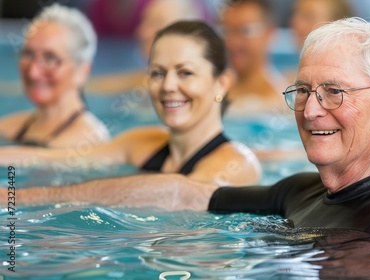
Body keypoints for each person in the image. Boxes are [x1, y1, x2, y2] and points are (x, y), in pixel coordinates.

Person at [3, 18, 370, 241]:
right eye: (302, 90)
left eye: (334, 92)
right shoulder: (299, 192)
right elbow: (182, 195)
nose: (312, 111)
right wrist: (19, 201)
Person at [0, 20, 261, 186]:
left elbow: (175, 195)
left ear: (222, 82)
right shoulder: (140, 143)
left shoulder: (237, 163)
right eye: (158, 73)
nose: (168, 86)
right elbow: (52, 159)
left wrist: (22, 198)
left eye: (185, 73)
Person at [0, 4, 110, 148]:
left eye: (50, 58)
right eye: (29, 54)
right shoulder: (7, 128)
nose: (33, 72)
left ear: (82, 70)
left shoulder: (91, 140)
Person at [85, 0, 199, 93]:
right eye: (144, 21)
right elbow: (98, 87)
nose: (142, 32)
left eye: (156, 23)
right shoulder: (147, 81)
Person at [219, 0, 289, 116]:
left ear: (269, 33)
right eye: (227, 31)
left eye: (245, 31)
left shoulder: (280, 104)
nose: (232, 42)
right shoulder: (214, 88)